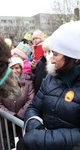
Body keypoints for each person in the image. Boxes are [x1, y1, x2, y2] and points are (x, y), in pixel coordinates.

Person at [17, 21, 80, 150]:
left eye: (55, 54)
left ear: (74, 57)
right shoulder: (51, 78)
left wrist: (43, 139)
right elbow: (33, 107)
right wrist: (36, 128)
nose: (51, 59)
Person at [0, 56, 35, 149]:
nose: (15, 70)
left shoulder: (28, 82)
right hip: (4, 121)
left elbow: (31, 99)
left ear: (21, 68)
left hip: (21, 121)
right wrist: (11, 115)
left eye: (17, 67)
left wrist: (19, 115)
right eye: (12, 68)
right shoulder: (2, 82)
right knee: (4, 143)